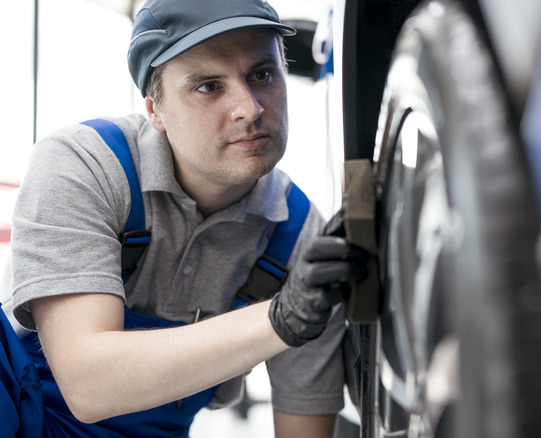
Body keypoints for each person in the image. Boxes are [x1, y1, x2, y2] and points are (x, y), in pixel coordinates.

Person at [1, 0, 368, 436]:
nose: (249, 109)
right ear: (155, 110)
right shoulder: (85, 166)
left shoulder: (304, 244)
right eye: (209, 86)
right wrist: (279, 319)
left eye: (262, 74)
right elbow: (88, 387)